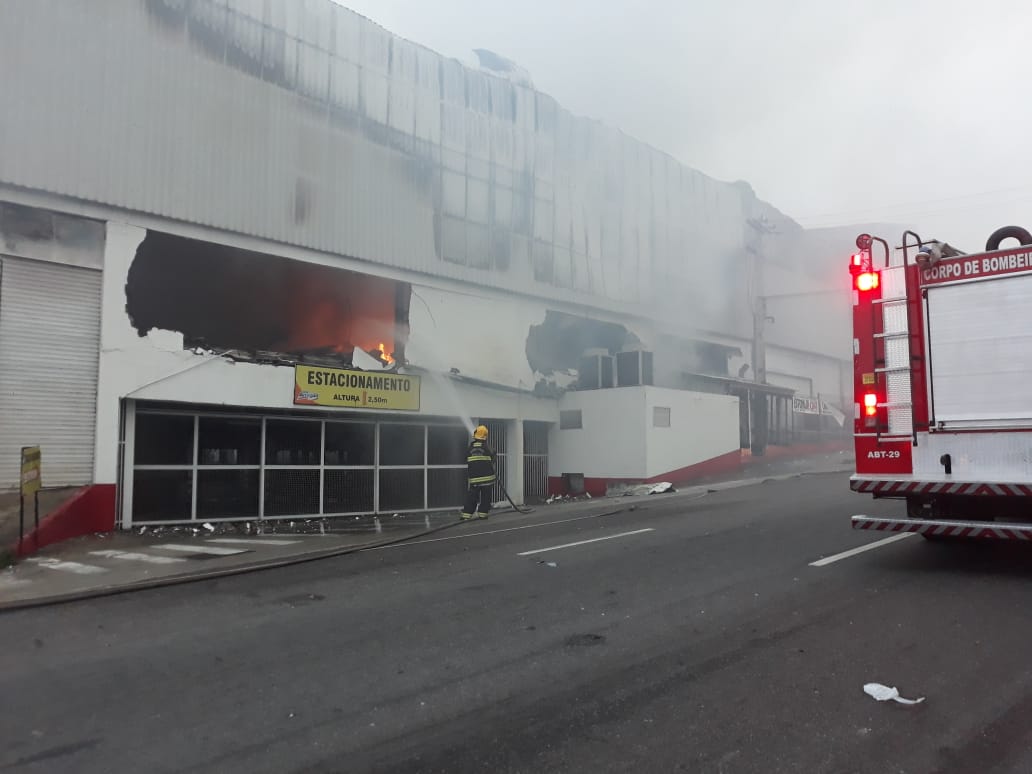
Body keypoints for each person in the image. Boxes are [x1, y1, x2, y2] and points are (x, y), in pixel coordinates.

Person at [461, 425, 495, 520]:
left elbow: (465, 459)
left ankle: (466, 515)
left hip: (474, 479)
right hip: (488, 479)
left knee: (471, 497)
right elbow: (493, 458)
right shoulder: (487, 448)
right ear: (485, 436)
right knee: (485, 498)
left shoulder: (470, 448)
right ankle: (482, 515)